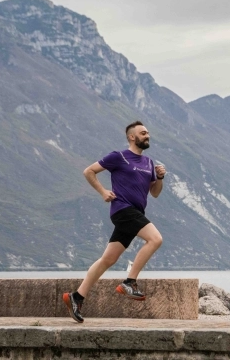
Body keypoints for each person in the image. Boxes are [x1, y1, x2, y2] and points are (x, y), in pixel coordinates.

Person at [62, 121, 167, 323]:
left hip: (135, 212)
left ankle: (76, 297)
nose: (147, 136)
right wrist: (102, 192)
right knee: (155, 239)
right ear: (131, 137)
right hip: (122, 210)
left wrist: (160, 178)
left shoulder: (150, 164)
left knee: (108, 260)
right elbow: (89, 171)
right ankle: (130, 282)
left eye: (148, 133)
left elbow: (154, 193)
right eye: (143, 133)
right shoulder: (118, 157)